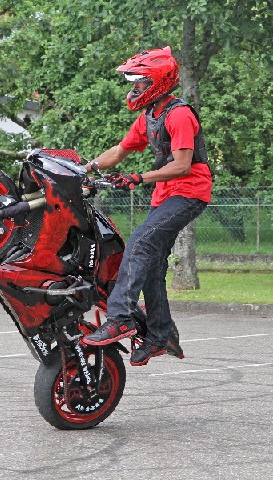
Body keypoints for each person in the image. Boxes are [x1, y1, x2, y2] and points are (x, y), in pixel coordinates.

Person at [81, 46, 212, 367]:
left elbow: (182, 165)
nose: (135, 87)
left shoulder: (179, 115)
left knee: (139, 244)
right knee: (152, 263)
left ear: (158, 82)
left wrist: (138, 178)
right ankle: (161, 334)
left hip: (189, 192)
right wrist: (82, 170)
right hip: (165, 196)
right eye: (134, 82)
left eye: (140, 81)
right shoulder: (149, 117)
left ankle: (120, 317)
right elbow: (118, 151)